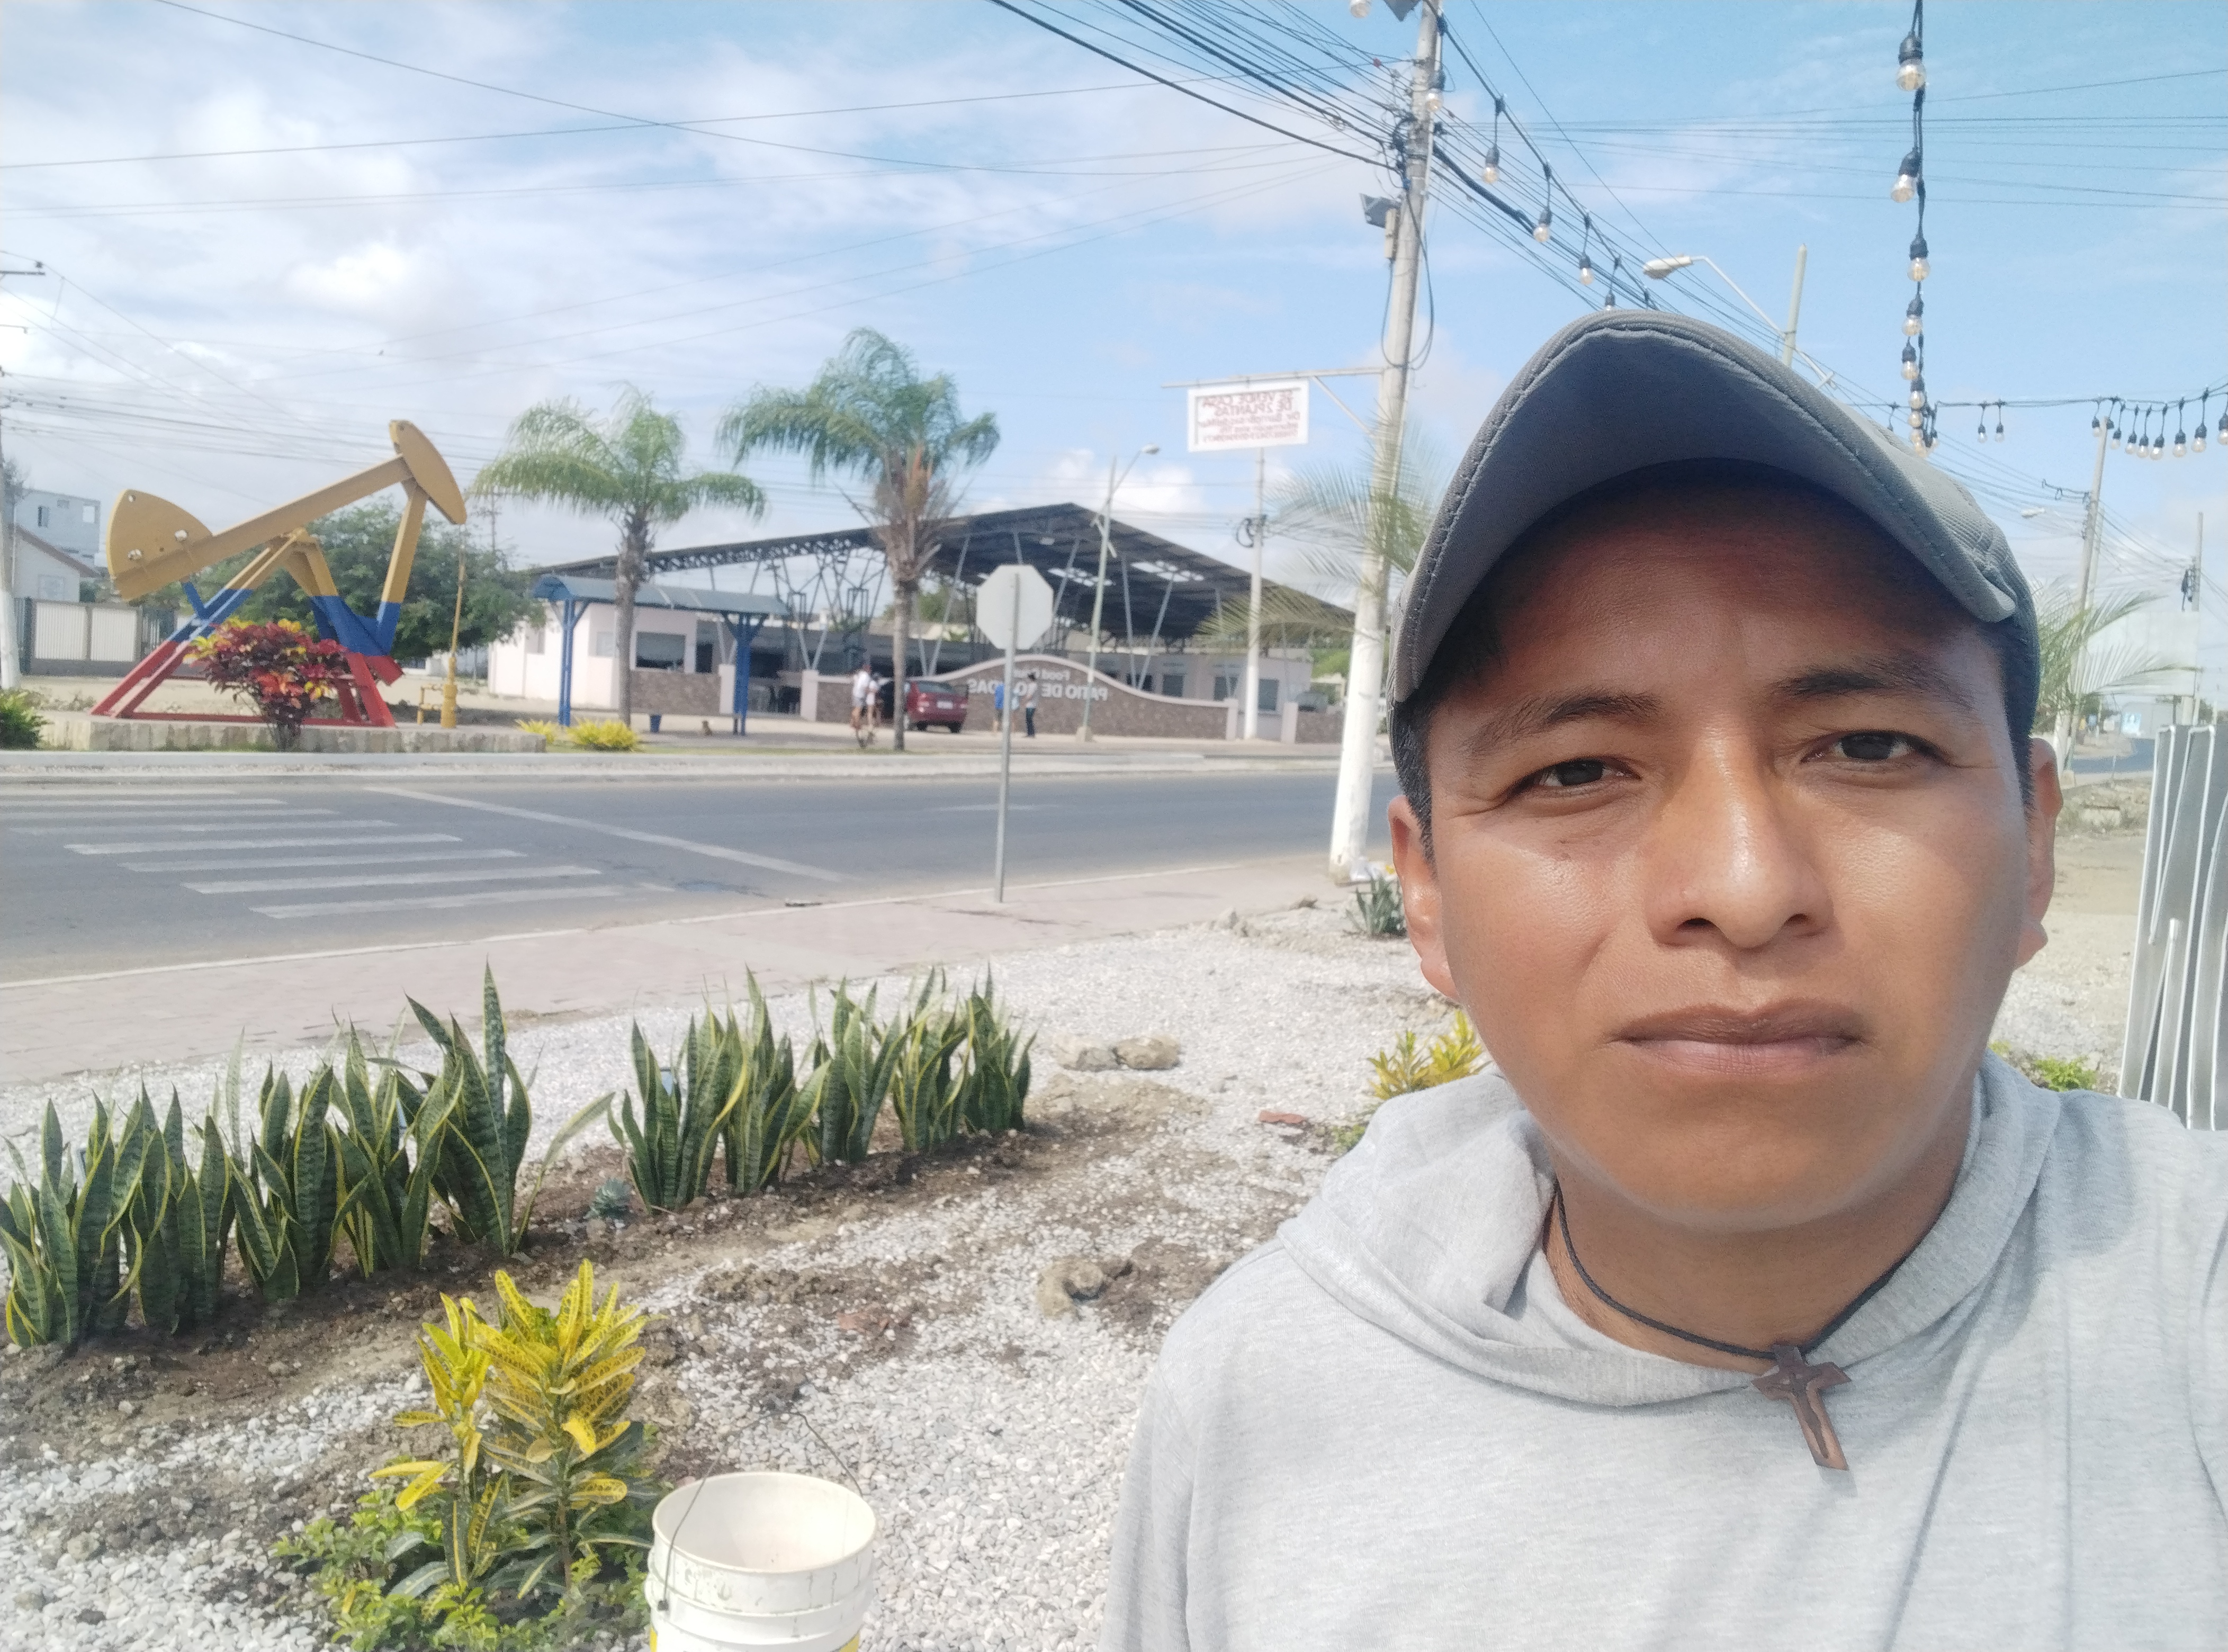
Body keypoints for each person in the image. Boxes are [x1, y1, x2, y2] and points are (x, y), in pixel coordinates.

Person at [1100, 311, 2228, 1649]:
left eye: (1868, 745)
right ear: (1428, 894)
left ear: (2031, 847)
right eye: (1575, 770)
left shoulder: (2189, 1296)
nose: (1743, 888)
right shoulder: (1250, 1401)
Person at [849, 662, 876, 747]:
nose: (870, 671)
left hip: (856, 694)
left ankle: (853, 723)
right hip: (860, 695)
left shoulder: (861, 674)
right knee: (858, 709)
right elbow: (864, 688)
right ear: (868, 670)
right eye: (869, 669)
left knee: (856, 709)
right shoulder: (866, 677)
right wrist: (872, 691)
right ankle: (856, 724)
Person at [1019, 670, 1040, 738]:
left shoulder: (1032, 686)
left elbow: (1030, 696)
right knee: (1028, 719)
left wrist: (1024, 702)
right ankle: (1030, 733)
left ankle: (1031, 733)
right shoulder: (1034, 685)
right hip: (1032, 704)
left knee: (1029, 719)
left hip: (1031, 705)